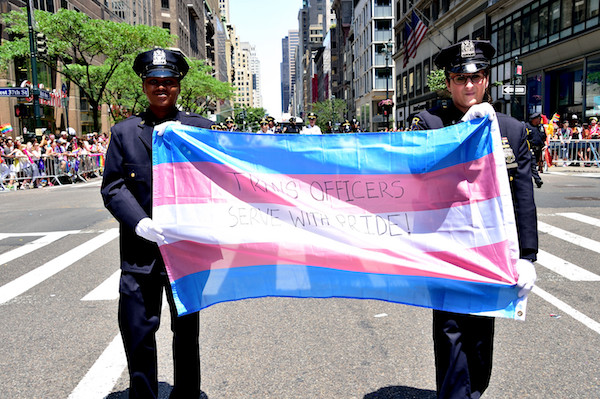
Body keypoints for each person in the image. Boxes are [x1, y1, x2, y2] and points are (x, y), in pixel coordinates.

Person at [411, 40, 538, 399]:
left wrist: (527, 255)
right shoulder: (430, 122)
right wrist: (459, 138)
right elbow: (416, 176)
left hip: (491, 248)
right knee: (450, 328)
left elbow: (523, 195)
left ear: (486, 80)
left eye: (477, 77)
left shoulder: (512, 130)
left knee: (482, 330)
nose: (469, 86)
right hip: (446, 245)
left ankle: (474, 391)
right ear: (448, 83)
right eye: (459, 78)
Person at [101, 48, 212, 399]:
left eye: (168, 81)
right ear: (144, 85)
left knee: (186, 332)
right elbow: (114, 186)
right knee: (137, 331)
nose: (161, 88)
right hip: (140, 253)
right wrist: (140, 223)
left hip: (186, 252)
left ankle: (187, 395)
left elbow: (219, 181)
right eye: (154, 82)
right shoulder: (124, 133)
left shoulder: (200, 130)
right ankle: (144, 395)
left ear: (178, 85)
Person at [525, 112, 546, 187]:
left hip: (539, 149)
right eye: (538, 119)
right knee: (533, 164)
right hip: (530, 149)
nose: (540, 121)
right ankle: (537, 179)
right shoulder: (527, 126)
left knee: (533, 165)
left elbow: (543, 136)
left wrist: (543, 144)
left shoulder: (540, 127)